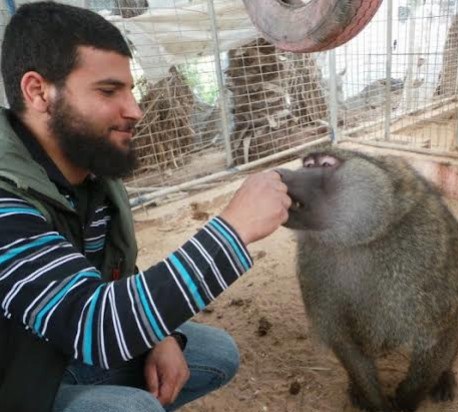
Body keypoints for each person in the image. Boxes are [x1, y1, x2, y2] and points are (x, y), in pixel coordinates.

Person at [0, 2, 291, 412]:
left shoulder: (86, 170)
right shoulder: (6, 204)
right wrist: (233, 230)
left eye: (130, 88)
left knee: (211, 353)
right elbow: (95, 324)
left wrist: (159, 335)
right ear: (38, 92)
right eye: (108, 91)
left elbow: (109, 272)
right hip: (13, 379)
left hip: (49, 349)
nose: (135, 110)